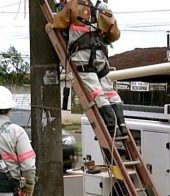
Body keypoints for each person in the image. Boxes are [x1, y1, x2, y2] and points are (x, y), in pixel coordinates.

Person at [45, 0, 128, 137]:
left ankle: (112, 127)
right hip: (100, 57)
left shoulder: (74, 4)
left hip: (82, 57)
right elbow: (115, 35)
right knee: (109, 91)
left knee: (97, 92)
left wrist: (50, 25)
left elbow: (59, 23)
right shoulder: (103, 8)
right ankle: (122, 126)